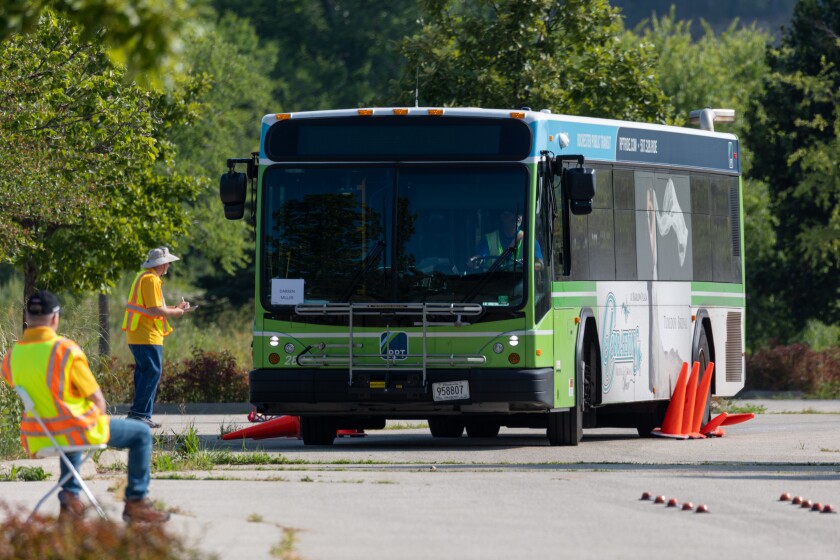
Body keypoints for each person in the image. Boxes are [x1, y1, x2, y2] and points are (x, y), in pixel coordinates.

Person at [1, 290, 169, 523]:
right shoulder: (65, 350)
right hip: (73, 430)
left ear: (27, 318)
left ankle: (70, 498)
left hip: (37, 437)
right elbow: (98, 401)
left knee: (70, 433)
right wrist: (94, 423)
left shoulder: (11, 355)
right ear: (55, 318)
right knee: (140, 433)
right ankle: (136, 502)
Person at [122, 247, 193, 428]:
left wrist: (175, 307)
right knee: (152, 372)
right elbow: (154, 310)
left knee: (145, 372)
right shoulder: (151, 280)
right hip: (146, 334)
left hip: (140, 333)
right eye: (168, 262)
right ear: (161, 264)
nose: (169, 265)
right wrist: (176, 312)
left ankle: (140, 415)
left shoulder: (146, 278)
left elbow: (151, 307)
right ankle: (139, 415)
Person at [469, 210, 544, 270]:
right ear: (502, 216)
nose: (517, 216)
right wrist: (475, 260)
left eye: (520, 212)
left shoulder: (529, 240)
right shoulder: (487, 239)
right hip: (490, 286)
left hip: (521, 288)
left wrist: (529, 266)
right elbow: (480, 256)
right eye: (513, 212)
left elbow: (540, 265)